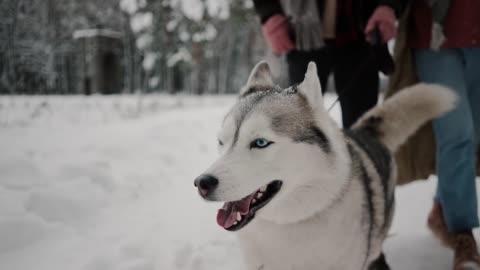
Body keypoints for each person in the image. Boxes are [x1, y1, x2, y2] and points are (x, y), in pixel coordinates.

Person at [406, 1, 480, 269]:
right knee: (458, 132)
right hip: (436, 37)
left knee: (473, 136)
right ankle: (462, 234)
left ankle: (442, 209)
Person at [251, 0, 403, 128]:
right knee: (298, 128)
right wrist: (269, 14)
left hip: (362, 36)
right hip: (302, 37)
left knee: (362, 131)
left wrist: (388, 5)